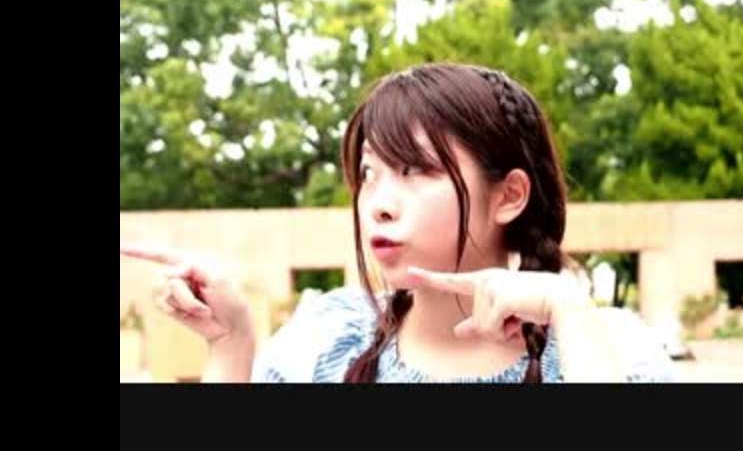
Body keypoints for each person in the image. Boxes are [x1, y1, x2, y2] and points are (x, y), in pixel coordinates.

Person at [120, 62, 675, 383]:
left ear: (508, 196)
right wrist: (229, 342)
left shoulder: (605, 348)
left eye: (414, 170)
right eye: (369, 173)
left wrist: (570, 309)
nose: (378, 203)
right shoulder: (327, 339)